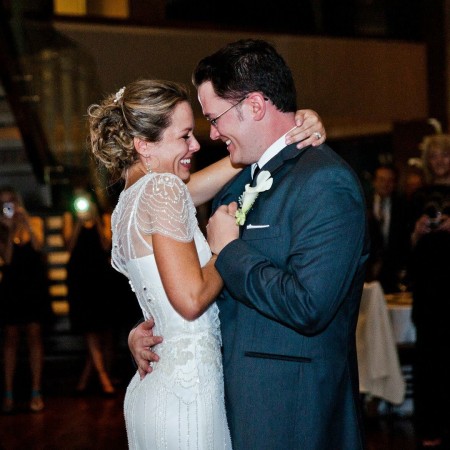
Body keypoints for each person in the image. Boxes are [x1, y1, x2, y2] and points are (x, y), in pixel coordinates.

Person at [130, 39, 369, 450]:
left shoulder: (324, 182)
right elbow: (186, 274)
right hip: (227, 405)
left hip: (291, 412)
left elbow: (310, 306)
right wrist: (153, 328)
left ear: (255, 105)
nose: (211, 134)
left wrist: (230, 251)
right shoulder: (236, 185)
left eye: (215, 119)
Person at [88, 77, 326, 449]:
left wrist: (278, 136)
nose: (196, 145)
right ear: (144, 145)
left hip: (156, 387)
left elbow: (208, 180)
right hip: (187, 393)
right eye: (184, 136)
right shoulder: (162, 189)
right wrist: (224, 249)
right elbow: (191, 300)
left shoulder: (130, 200)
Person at [408, 134, 450, 450]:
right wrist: (417, 231)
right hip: (427, 288)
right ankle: (429, 425)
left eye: (444, 155)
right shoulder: (416, 197)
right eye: (433, 156)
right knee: (428, 358)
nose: (438, 162)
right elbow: (403, 248)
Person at [0, 186, 50, 413]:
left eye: (11, 201)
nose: (9, 206)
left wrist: (24, 221)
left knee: (34, 336)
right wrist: (10, 230)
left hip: (33, 286)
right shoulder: (1, 228)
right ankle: (8, 393)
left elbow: (38, 246)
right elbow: (7, 258)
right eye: (4, 203)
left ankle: (36, 391)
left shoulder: (34, 222)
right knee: (10, 338)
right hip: (12, 287)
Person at [63, 188, 117, 396]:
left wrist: (95, 219)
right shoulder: (69, 218)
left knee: (105, 330)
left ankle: (89, 378)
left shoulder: (104, 217)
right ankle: (103, 378)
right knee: (89, 328)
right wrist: (79, 222)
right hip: (80, 278)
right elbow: (69, 246)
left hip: (101, 277)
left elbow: (106, 245)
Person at [365, 163, 411, 293]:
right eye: (381, 180)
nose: (385, 184)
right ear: (374, 182)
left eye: (390, 181)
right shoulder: (364, 204)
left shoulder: (403, 206)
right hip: (368, 271)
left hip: (393, 272)